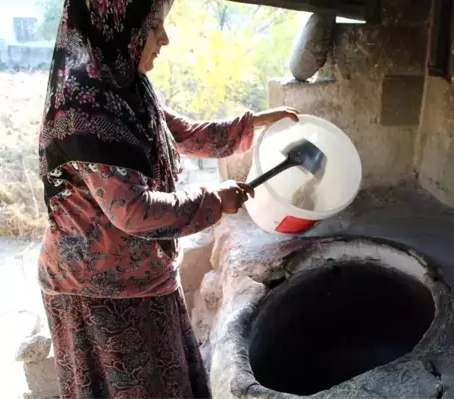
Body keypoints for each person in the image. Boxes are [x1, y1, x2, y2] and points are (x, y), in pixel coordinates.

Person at [37, 0, 298, 397]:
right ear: (119, 25)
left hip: (144, 275)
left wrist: (253, 124)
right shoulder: (84, 111)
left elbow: (184, 134)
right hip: (97, 292)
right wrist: (213, 201)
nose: (165, 39)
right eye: (154, 26)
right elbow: (133, 211)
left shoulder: (127, 89)